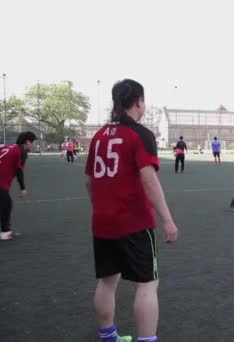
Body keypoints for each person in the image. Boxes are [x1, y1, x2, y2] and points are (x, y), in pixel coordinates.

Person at [85, 79, 179, 342]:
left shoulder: (99, 135)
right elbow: (149, 179)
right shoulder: (140, 134)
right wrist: (168, 220)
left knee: (107, 280)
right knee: (147, 284)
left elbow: (88, 180)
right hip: (134, 222)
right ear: (139, 101)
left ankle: (108, 336)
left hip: (102, 221)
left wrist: (101, 209)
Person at [0, 132, 37, 240]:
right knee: (6, 205)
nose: (34, 145)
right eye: (33, 142)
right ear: (27, 142)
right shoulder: (22, 152)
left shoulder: (9, 147)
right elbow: (18, 170)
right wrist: (23, 188)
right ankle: (5, 232)